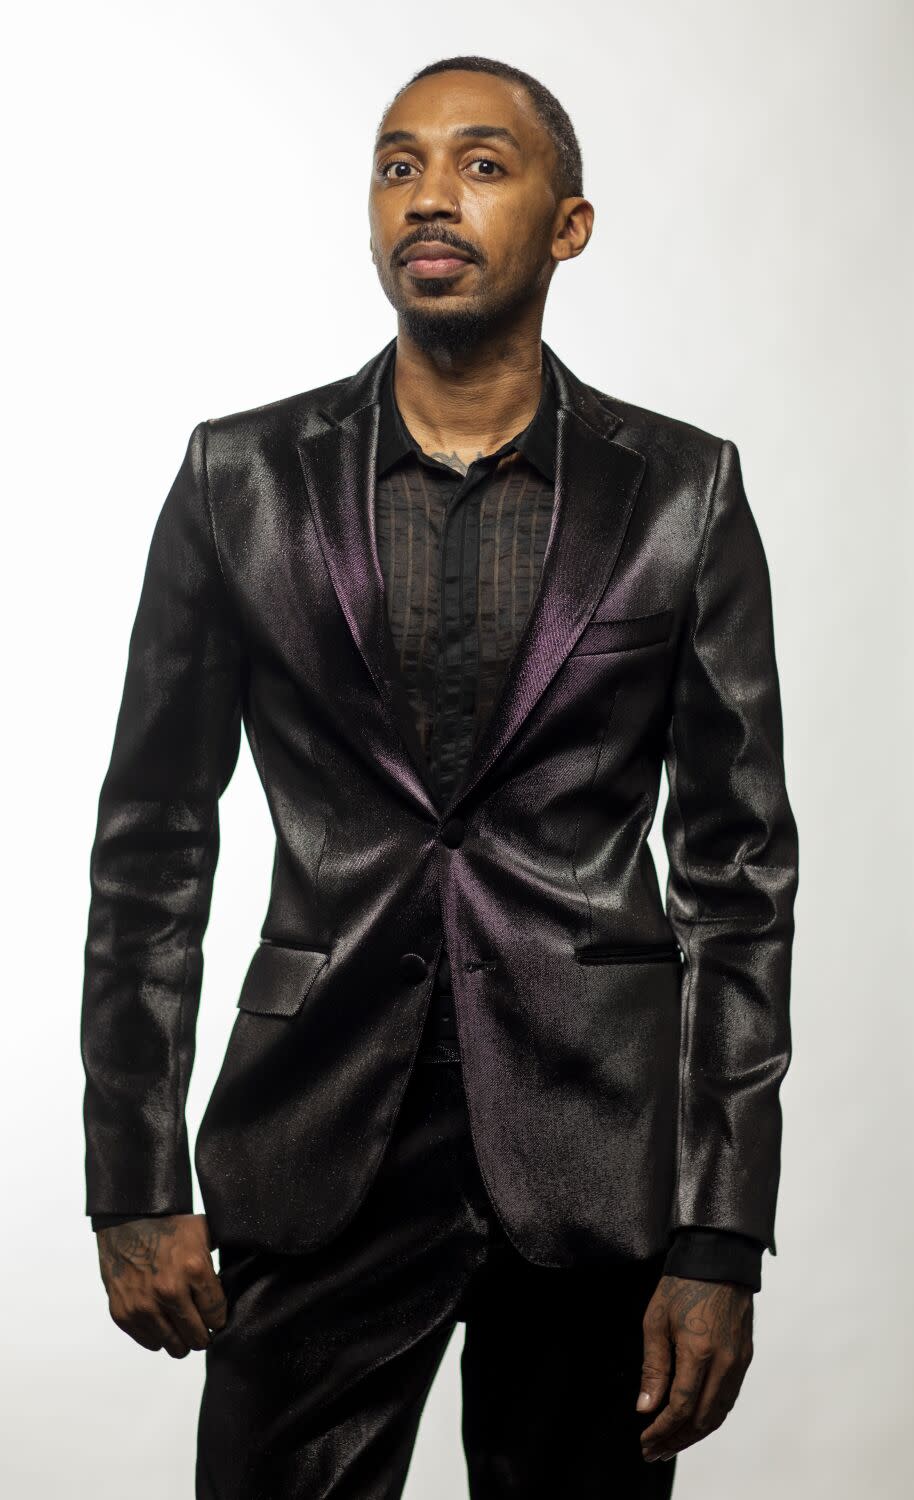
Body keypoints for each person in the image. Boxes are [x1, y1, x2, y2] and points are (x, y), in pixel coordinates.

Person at [81, 54, 799, 1498]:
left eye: (481, 164)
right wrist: (133, 1176)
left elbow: (738, 878)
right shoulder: (240, 480)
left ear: (567, 222)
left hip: (595, 1157)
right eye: (398, 163)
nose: (430, 196)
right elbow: (152, 845)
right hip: (314, 1138)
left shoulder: (680, 494)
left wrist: (718, 1234)